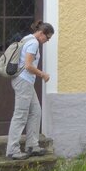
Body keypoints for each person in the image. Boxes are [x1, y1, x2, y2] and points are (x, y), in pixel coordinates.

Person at [6, 20, 54, 160]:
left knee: (35, 111)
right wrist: (43, 74)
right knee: (20, 115)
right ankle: (12, 150)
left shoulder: (26, 38)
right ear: (41, 33)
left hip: (24, 81)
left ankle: (32, 145)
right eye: (48, 37)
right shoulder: (33, 43)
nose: (47, 40)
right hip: (24, 81)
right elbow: (28, 65)